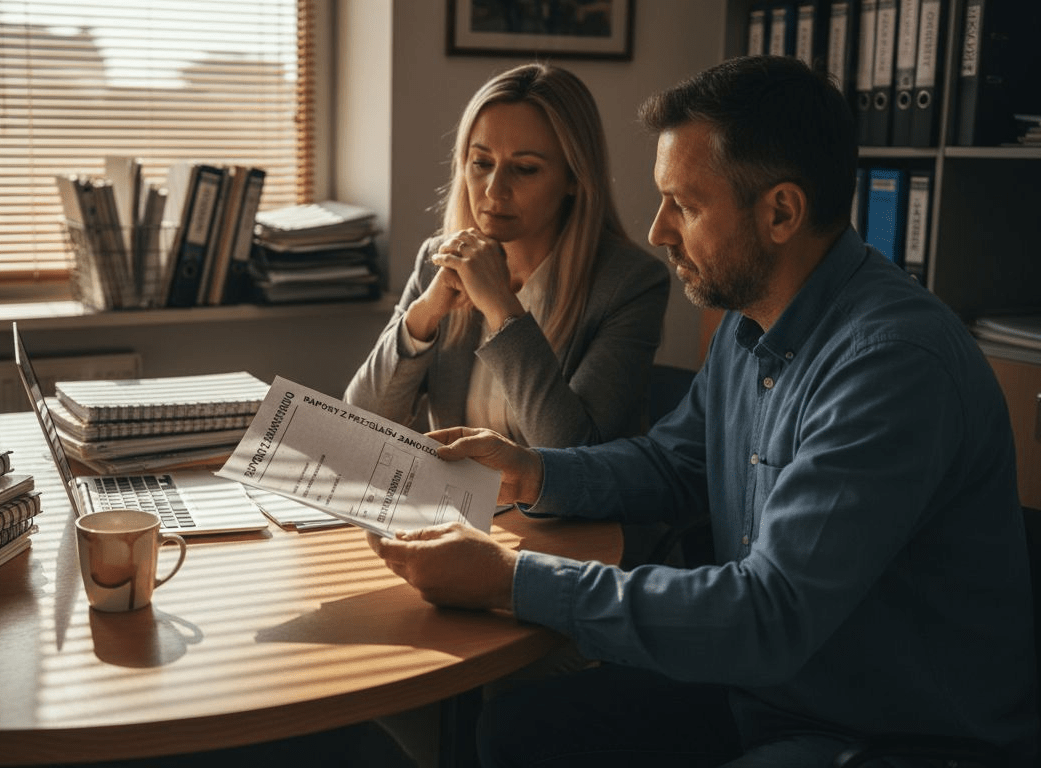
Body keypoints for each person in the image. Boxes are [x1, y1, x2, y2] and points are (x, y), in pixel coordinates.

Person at [367, 55, 1038, 767]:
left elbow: (767, 613)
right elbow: (674, 461)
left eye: (683, 205)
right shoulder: (752, 322)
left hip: (886, 733)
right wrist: (533, 473)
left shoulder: (891, 363)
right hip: (768, 692)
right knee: (519, 733)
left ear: (780, 211)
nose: (658, 231)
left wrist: (511, 580)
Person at [344, 62, 669, 449]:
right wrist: (427, 311)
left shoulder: (630, 284)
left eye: (525, 169)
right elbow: (359, 422)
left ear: (574, 178)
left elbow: (574, 449)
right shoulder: (439, 258)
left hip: (566, 511)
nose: (495, 191)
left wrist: (501, 307)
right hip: (456, 507)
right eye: (481, 163)